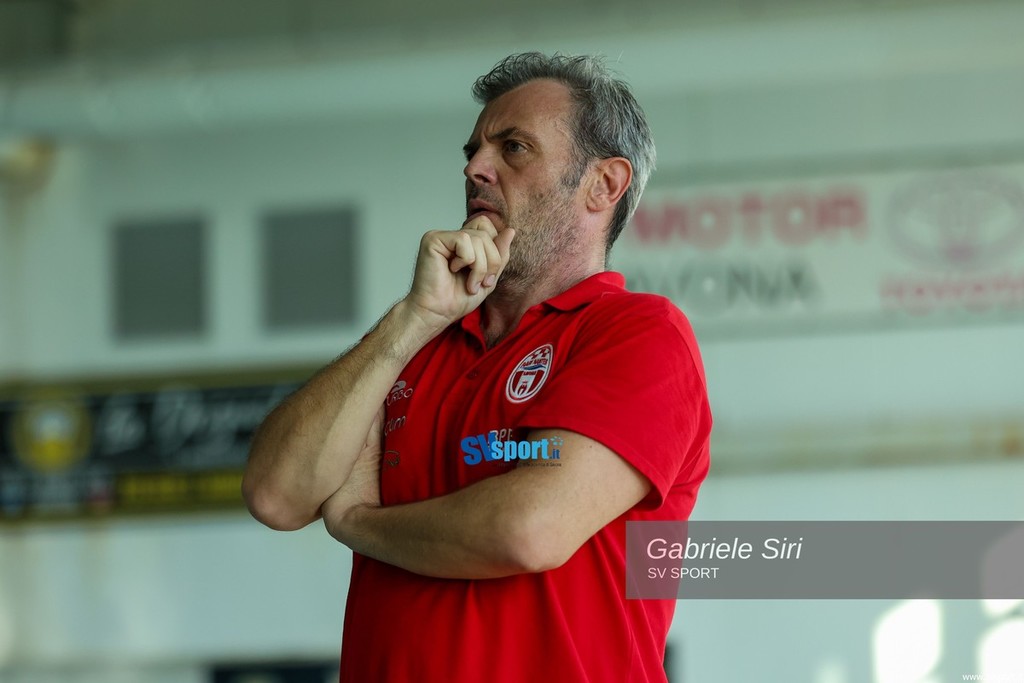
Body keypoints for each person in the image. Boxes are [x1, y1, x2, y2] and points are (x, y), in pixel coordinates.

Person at [243, 52, 711, 683]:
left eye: (513, 148)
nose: (475, 168)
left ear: (603, 184)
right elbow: (275, 495)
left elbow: (528, 530)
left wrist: (357, 523)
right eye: (473, 151)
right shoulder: (415, 341)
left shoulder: (638, 332)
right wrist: (412, 319)